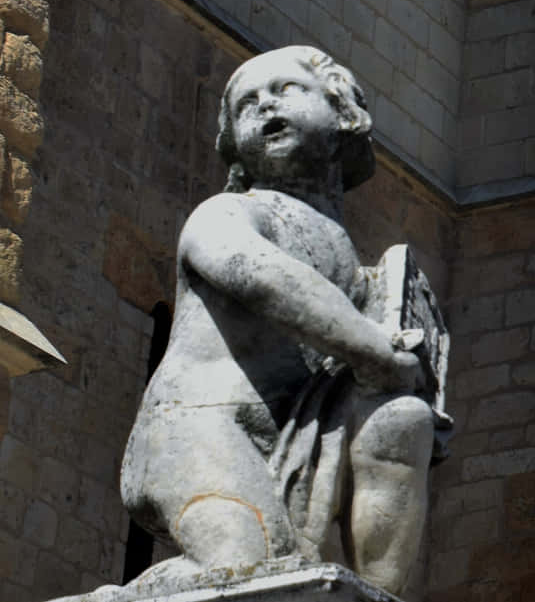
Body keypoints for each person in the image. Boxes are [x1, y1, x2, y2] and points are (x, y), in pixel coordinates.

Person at [118, 47, 439, 596]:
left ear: (344, 114)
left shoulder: (353, 264)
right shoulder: (231, 212)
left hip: (300, 428)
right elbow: (261, 275)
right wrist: (374, 348)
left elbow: (366, 360)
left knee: (402, 418)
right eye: (247, 104)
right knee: (250, 566)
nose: (265, 105)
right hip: (200, 430)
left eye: (285, 90)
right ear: (235, 147)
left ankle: (374, 592)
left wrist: (404, 368)